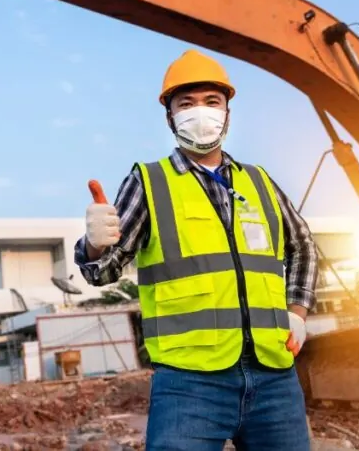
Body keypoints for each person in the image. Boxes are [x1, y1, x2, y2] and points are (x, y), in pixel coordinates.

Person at [74, 49, 318, 451]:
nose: (200, 113)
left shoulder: (258, 182)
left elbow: (303, 246)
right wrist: (96, 244)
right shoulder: (149, 181)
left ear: (227, 113)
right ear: (170, 117)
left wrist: (297, 311)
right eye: (186, 104)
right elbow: (103, 271)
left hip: (274, 375)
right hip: (189, 382)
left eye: (212, 102)